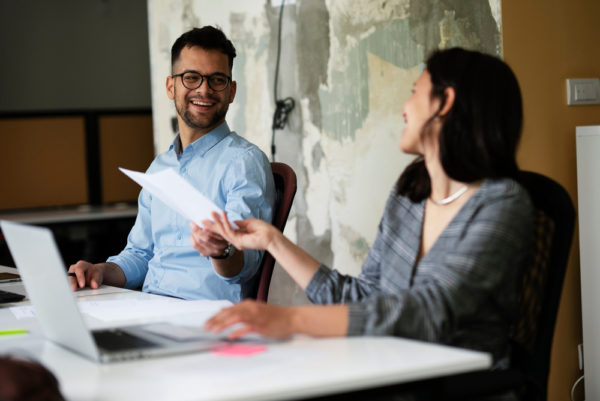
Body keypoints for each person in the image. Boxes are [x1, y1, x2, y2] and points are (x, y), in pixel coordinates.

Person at [200, 47, 533, 381]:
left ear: (444, 101)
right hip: (389, 370)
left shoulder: (502, 203)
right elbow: (364, 298)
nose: (404, 109)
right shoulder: (410, 194)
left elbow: (432, 313)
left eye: (414, 92)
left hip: (462, 387)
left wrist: (291, 320)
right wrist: (273, 241)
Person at [69, 26, 275, 301]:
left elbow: (244, 264)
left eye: (217, 80)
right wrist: (100, 271)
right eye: (191, 78)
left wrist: (221, 249)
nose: (204, 89)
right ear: (171, 86)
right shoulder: (160, 167)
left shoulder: (244, 162)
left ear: (231, 91)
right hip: (151, 307)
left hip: (209, 317)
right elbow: (140, 255)